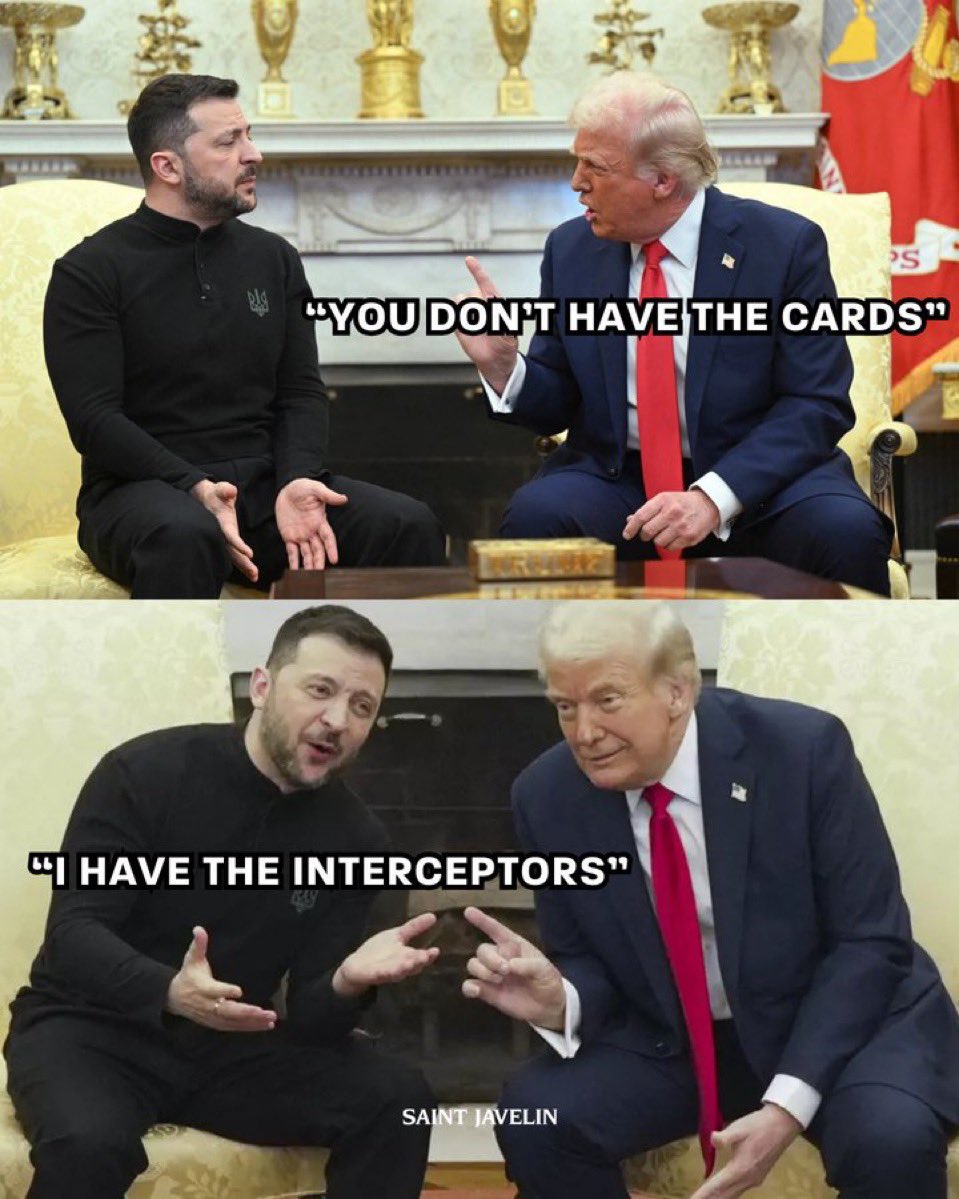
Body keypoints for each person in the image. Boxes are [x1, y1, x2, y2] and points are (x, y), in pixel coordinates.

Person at [462, 602, 959, 1199]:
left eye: (607, 701)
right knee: (536, 1116)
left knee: (890, 1139)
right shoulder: (547, 796)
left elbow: (870, 943)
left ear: (677, 691)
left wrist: (786, 1106)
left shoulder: (801, 751)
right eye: (565, 707)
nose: (584, 733)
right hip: (677, 1037)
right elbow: (584, 958)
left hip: (838, 1021)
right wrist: (560, 1000)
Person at [4, 605, 438, 1199]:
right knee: (90, 1142)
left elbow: (312, 1020)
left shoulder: (356, 838)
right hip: (91, 1031)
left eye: (362, 706)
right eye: (320, 690)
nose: (337, 720)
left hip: (227, 1048)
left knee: (398, 1098)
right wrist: (169, 989)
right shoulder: (144, 771)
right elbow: (73, 934)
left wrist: (346, 982)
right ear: (261, 687)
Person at [454, 72, 893, 595]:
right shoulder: (572, 250)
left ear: (662, 180)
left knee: (844, 531)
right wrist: (504, 365)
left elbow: (817, 403)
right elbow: (558, 401)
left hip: (763, 480)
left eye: (595, 166)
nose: (576, 182)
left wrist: (712, 497)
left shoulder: (784, 246)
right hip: (619, 477)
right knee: (538, 517)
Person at [44, 73, 446, 599]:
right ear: (167, 167)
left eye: (249, 135)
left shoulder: (274, 258)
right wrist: (193, 486)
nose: (253, 154)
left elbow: (300, 391)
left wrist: (297, 478)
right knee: (185, 533)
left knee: (407, 524)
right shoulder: (89, 270)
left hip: (265, 488)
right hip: (142, 492)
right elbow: (95, 419)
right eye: (228, 142)